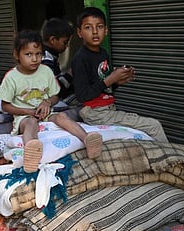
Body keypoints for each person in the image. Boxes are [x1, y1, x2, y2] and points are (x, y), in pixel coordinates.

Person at [0, 30, 103, 173]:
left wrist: (47, 102)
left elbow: (55, 96)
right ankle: (31, 151)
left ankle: (87, 139)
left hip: (46, 113)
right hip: (24, 117)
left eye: (38, 54)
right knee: (31, 122)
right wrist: (29, 112)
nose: (34, 59)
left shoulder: (46, 71)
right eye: (28, 54)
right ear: (17, 55)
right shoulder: (11, 77)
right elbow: (5, 106)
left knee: (61, 117)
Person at [71, 7, 168, 142]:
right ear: (79, 32)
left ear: (106, 30)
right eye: (88, 27)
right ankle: (171, 162)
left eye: (99, 26)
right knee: (154, 126)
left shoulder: (104, 53)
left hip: (109, 110)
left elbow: (104, 87)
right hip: (95, 113)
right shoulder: (80, 58)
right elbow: (83, 95)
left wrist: (118, 81)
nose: (94, 31)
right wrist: (110, 79)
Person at [41, 18, 76, 104]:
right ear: (52, 40)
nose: (67, 46)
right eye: (65, 42)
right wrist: (69, 75)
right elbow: (54, 89)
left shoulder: (51, 56)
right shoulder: (45, 59)